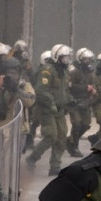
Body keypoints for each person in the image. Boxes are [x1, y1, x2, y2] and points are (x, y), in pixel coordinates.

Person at [27, 44, 71, 176]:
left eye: (68, 57)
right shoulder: (47, 70)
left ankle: (55, 166)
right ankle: (33, 157)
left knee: (62, 136)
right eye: (65, 58)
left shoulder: (63, 71)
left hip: (60, 110)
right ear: (57, 57)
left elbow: (65, 91)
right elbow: (41, 91)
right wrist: (52, 104)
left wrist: (69, 102)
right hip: (47, 109)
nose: (67, 60)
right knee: (51, 135)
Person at [66, 48, 97, 157]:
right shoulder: (73, 71)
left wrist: (93, 90)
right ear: (80, 59)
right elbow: (70, 86)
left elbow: (93, 84)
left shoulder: (89, 72)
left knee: (86, 125)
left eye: (89, 59)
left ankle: (70, 141)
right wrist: (85, 88)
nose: (87, 62)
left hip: (85, 101)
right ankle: (74, 148)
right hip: (74, 101)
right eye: (85, 60)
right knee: (77, 124)